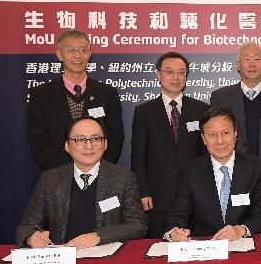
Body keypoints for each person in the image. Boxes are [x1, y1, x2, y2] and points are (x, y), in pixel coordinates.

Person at [16, 117, 146, 247]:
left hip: (106, 260)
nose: (89, 146)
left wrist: (99, 237)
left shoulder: (123, 178)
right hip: (63, 259)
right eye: (80, 139)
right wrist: (30, 238)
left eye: (96, 139)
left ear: (105, 144)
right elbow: (25, 227)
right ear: (67, 146)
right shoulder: (50, 180)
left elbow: (138, 226)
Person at [210, 42, 261, 230]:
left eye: (257, 59)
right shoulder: (220, 97)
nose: (252, 64)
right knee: (232, 236)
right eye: (246, 59)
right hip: (231, 181)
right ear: (237, 65)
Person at [163, 106, 261, 241]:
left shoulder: (256, 168)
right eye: (212, 135)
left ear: (235, 134)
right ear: (203, 138)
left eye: (226, 133)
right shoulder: (190, 171)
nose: (220, 141)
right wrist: (173, 232)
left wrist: (240, 230)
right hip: (205, 249)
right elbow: (176, 215)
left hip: (244, 244)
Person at [131, 52, 208, 238]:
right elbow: (138, 156)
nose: (176, 77)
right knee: (159, 246)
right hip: (158, 193)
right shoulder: (144, 112)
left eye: (181, 72)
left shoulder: (201, 109)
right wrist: (143, 191)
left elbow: (206, 153)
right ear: (158, 75)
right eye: (169, 72)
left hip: (194, 191)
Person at [27, 30, 124, 171]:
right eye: (71, 50)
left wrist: (95, 169)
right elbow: (38, 141)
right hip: (57, 177)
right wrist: (67, 172)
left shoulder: (107, 93)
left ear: (89, 54)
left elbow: (115, 137)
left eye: (83, 50)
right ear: (60, 54)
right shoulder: (41, 95)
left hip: (100, 175)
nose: (78, 55)